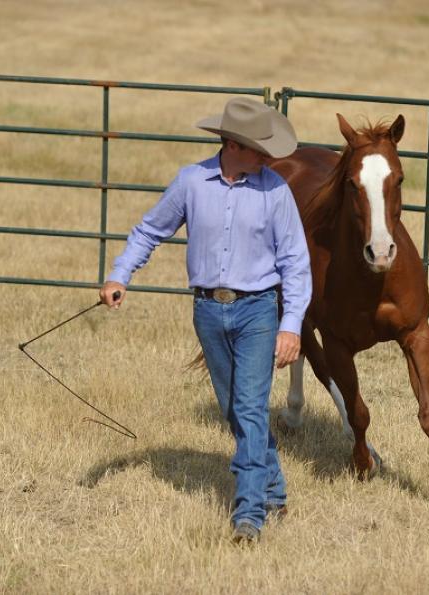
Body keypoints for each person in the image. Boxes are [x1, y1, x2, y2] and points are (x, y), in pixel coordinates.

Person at [99, 97, 312, 544]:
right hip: (208, 311)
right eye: (259, 148)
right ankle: (272, 487)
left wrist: (290, 324)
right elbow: (149, 230)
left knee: (251, 409)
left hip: (258, 311)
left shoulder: (275, 191)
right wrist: (121, 275)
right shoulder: (191, 182)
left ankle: (249, 513)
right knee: (236, 409)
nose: (269, 157)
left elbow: (296, 263)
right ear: (233, 144)